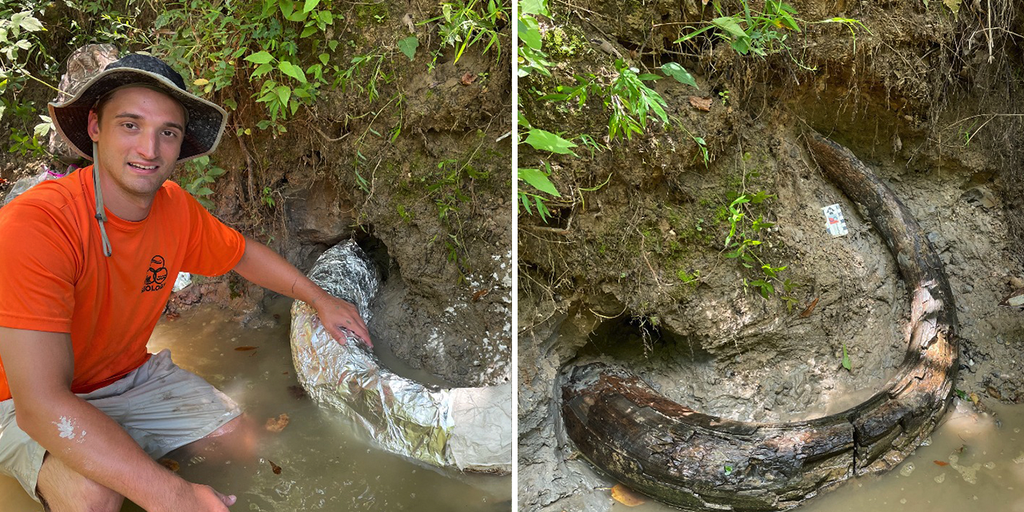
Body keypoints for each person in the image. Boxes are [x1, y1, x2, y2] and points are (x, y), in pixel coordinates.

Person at [0, 53, 371, 511]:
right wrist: (173, 494)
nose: (149, 150)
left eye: (167, 133)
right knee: (95, 495)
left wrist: (320, 298)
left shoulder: (174, 208)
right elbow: (40, 405)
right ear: (95, 127)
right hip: (19, 401)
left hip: (128, 376)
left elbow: (243, 254)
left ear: (180, 144)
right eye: (130, 125)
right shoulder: (36, 224)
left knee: (240, 441)